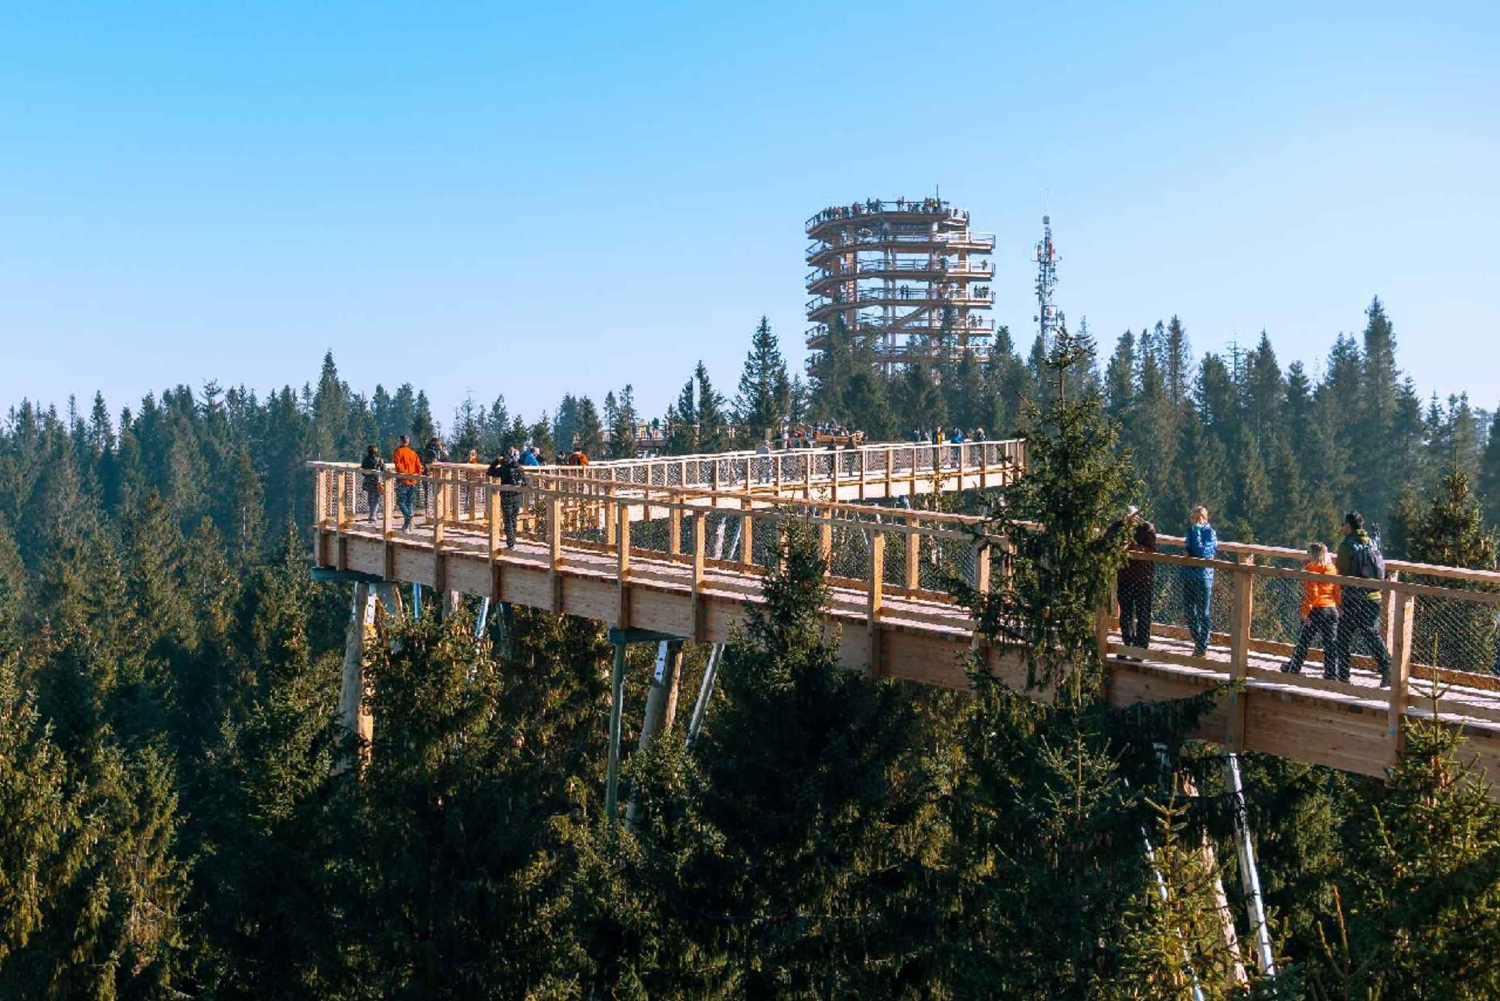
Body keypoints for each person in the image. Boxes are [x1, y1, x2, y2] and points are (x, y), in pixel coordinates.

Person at [1333, 511, 1392, 685]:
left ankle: (1343, 675)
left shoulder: (1346, 546)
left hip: (1352, 597)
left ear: (1348, 526)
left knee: (1343, 635)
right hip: (1373, 596)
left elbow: (1341, 572)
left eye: (1343, 524)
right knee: (1371, 634)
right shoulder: (1371, 542)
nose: (1341, 527)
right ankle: (1388, 668)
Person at [1283, 542, 1341, 677]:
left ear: (1313, 554)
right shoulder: (1332, 568)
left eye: (1308, 552)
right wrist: (1338, 605)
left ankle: (1294, 668)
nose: (1307, 554)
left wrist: (1304, 612)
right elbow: (1337, 590)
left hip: (1316, 609)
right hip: (1331, 609)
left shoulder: (1311, 569)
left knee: (1303, 641)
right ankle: (1331, 673)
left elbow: (1313, 594)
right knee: (1330, 643)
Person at [1117, 509, 1157, 656]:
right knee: (1125, 614)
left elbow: (1151, 550)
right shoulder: (1120, 528)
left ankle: (1141, 647)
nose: (1130, 518)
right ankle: (1127, 644)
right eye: (1127, 516)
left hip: (1143, 579)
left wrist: (1132, 547)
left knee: (1143, 614)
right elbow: (1110, 541)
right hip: (1125, 578)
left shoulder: (1147, 528)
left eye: (1133, 516)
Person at [1181, 506, 1218, 656]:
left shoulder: (1210, 533)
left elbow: (1201, 552)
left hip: (1203, 577)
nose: (1195, 521)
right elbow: (1188, 550)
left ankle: (1202, 647)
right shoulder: (1189, 531)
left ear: (1205, 519)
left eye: (1198, 518)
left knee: (1203, 613)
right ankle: (1199, 643)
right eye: (1193, 518)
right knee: (1188, 611)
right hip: (1189, 575)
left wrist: (1196, 532)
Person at [486, 447, 526, 548]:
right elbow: (525, 482)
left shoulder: (504, 469)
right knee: (513, 518)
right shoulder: (520, 468)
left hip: (506, 496)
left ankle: (510, 542)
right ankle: (513, 539)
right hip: (517, 496)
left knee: (508, 519)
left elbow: (490, 472)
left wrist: (496, 461)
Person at [392, 435, 424, 532]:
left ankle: (408, 516)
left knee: (401, 502)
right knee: (410, 502)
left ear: (401, 441)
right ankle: (407, 525)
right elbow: (419, 467)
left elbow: (398, 466)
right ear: (408, 442)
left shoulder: (398, 452)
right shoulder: (413, 453)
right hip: (412, 481)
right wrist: (415, 476)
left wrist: (405, 474)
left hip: (403, 480)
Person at [359, 444, 384, 522]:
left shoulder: (365, 459)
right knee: (376, 499)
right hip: (377, 481)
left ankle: (371, 514)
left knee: (370, 498)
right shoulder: (379, 460)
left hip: (368, 481)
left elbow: (362, 471)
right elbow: (383, 470)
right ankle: (373, 516)